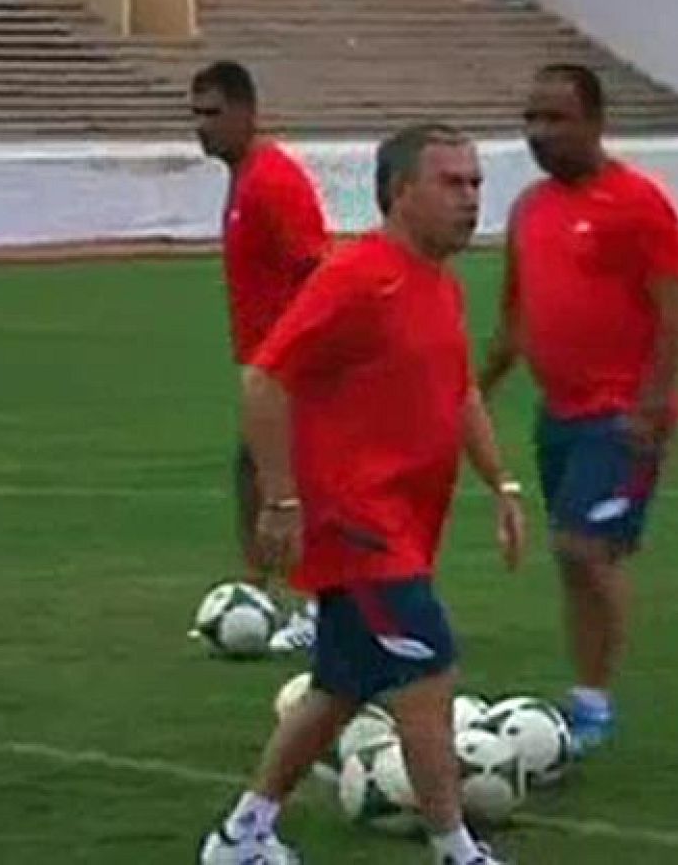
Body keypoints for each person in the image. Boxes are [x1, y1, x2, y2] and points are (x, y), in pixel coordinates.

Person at [199, 124, 525, 865]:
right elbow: (264, 376)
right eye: (452, 184)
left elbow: (460, 388)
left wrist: (500, 482)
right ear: (400, 191)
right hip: (360, 525)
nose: (471, 200)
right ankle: (455, 849)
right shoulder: (357, 277)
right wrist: (281, 500)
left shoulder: (437, 283)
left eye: (475, 183)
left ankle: (241, 835)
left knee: (338, 688)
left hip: (406, 525)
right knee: (426, 667)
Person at [479, 64, 678, 752]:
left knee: (583, 548)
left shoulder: (638, 204)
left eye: (556, 119)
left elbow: (674, 312)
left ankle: (598, 701)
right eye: (532, 119)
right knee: (575, 557)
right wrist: (470, 390)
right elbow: (516, 318)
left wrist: (650, 406)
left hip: (622, 416)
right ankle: (585, 694)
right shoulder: (530, 209)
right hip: (560, 413)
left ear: (596, 122)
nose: (540, 133)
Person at [190, 59, 331, 653]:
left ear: (248, 112)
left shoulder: (274, 181)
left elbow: (315, 270)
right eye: (196, 114)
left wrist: (300, 357)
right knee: (252, 472)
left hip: (291, 365)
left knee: (298, 482)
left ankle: (319, 605)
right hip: (263, 365)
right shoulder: (243, 175)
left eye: (213, 114)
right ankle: (258, 590)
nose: (201, 127)